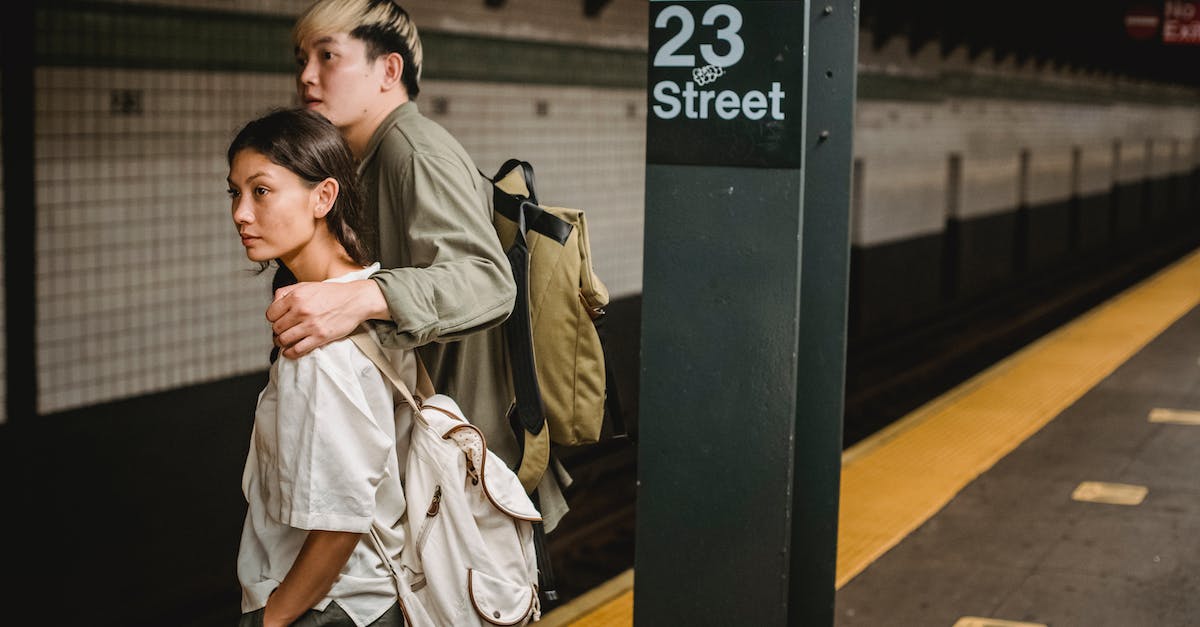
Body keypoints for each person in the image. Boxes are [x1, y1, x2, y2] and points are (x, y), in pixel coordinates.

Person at [277, 0, 570, 528]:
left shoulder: (413, 152)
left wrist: (361, 298)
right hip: (439, 464)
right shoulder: (371, 157)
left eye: (327, 56)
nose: (306, 76)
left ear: (389, 70)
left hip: (466, 470)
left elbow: (486, 281)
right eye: (302, 59)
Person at [230, 108, 415, 627]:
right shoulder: (372, 294)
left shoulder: (321, 337)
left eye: (261, 191)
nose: (242, 213)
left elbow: (340, 524)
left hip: (331, 609)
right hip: (369, 597)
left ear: (323, 196)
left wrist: (272, 621)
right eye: (235, 193)